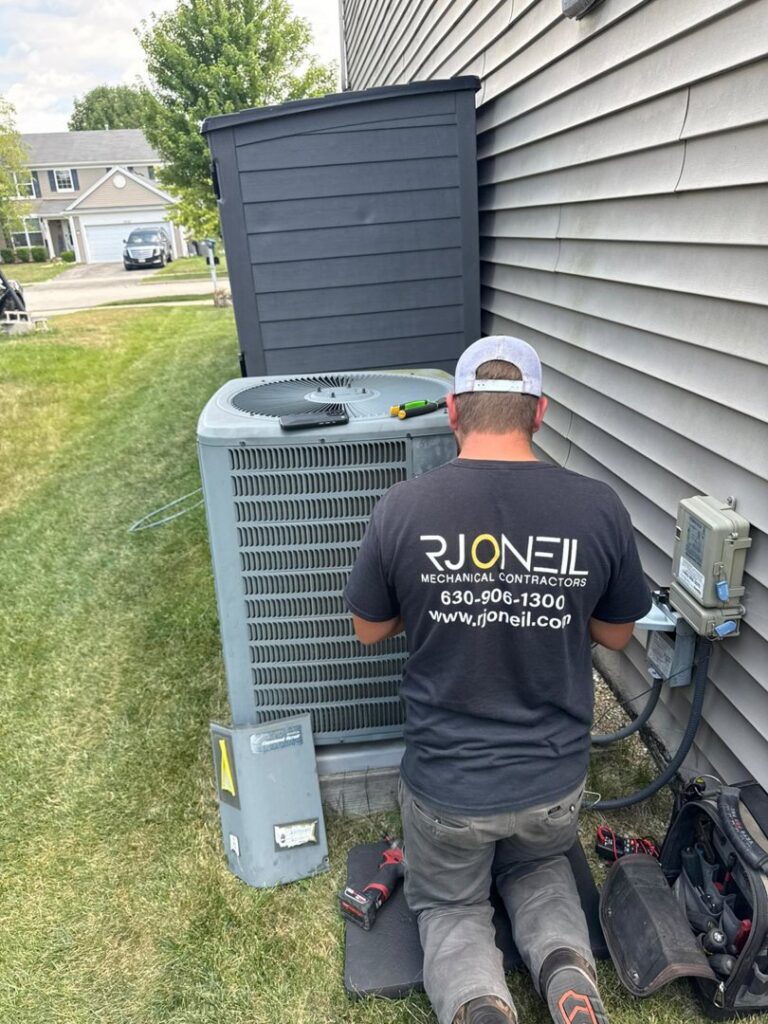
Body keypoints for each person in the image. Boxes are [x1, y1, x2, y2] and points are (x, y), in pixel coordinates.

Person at [344, 336, 652, 1024]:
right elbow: (616, 633)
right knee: (539, 869)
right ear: (539, 413)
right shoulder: (597, 507)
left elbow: (368, 629)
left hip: (447, 792)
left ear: (453, 410)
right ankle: (570, 976)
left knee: (451, 902)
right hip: (551, 786)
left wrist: (445, 599)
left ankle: (481, 1005)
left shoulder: (403, 507)